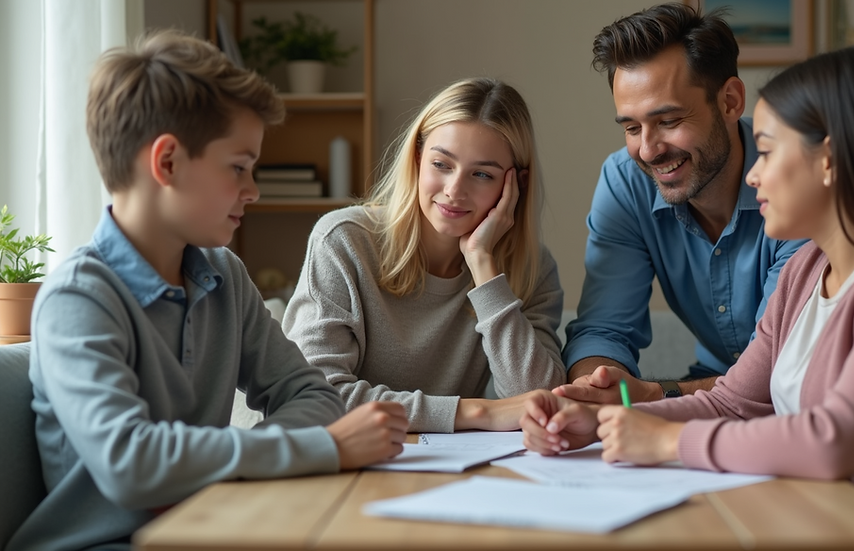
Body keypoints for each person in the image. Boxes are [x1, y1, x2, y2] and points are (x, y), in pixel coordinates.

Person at [521, 45, 854, 550]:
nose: (754, 174)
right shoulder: (808, 269)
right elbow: (734, 403)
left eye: (766, 149)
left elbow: (832, 442)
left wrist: (668, 439)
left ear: (828, 158)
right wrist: (605, 420)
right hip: (804, 523)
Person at [9, 30, 408, 551]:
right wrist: (319, 449)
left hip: (214, 525)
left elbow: (311, 394)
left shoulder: (224, 276)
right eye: (239, 167)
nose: (253, 189)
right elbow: (131, 465)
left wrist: (256, 460)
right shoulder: (78, 299)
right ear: (168, 162)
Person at [281, 78, 565, 433]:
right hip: (341, 463)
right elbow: (314, 397)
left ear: (515, 185)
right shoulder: (343, 242)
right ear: (418, 160)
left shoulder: (530, 270)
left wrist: (483, 267)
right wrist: (477, 413)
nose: (454, 191)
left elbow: (540, 402)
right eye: (441, 164)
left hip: (447, 471)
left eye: (481, 174)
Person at [558, 2, 806, 405]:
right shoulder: (626, 180)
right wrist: (596, 387)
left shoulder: (798, 181)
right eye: (632, 128)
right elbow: (604, 329)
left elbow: (783, 367)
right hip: (700, 397)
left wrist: (655, 395)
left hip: (792, 407)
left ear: (729, 101)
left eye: (669, 121)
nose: (648, 150)